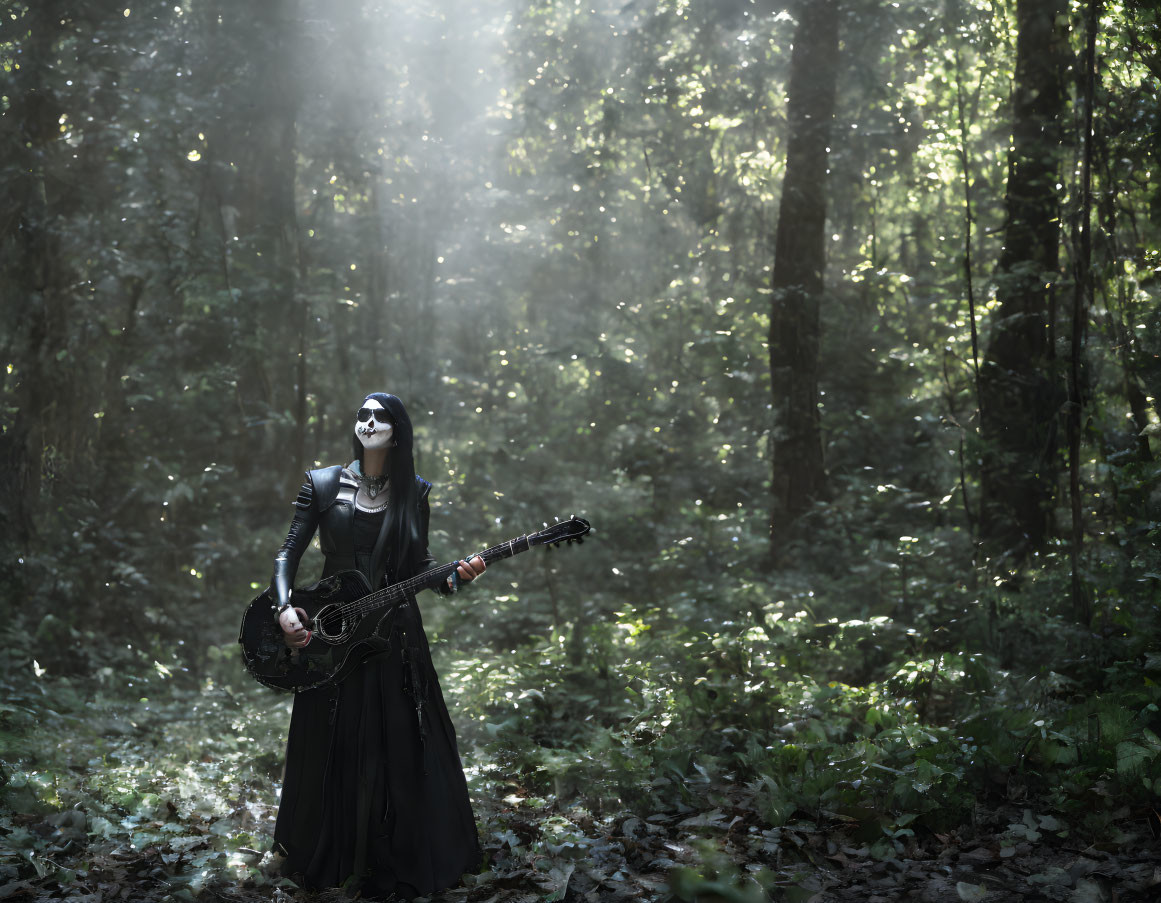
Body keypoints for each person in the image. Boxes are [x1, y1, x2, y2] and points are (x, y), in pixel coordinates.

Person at [269, 392, 485, 899]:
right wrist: (283, 608)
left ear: (397, 431)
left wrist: (457, 579)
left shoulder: (415, 491)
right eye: (362, 415)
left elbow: (421, 569)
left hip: (395, 635)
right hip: (332, 629)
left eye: (380, 417)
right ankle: (327, 855)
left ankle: (401, 857)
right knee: (330, 737)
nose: (368, 423)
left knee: (402, 740)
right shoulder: (323, 484)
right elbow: (288, 554)